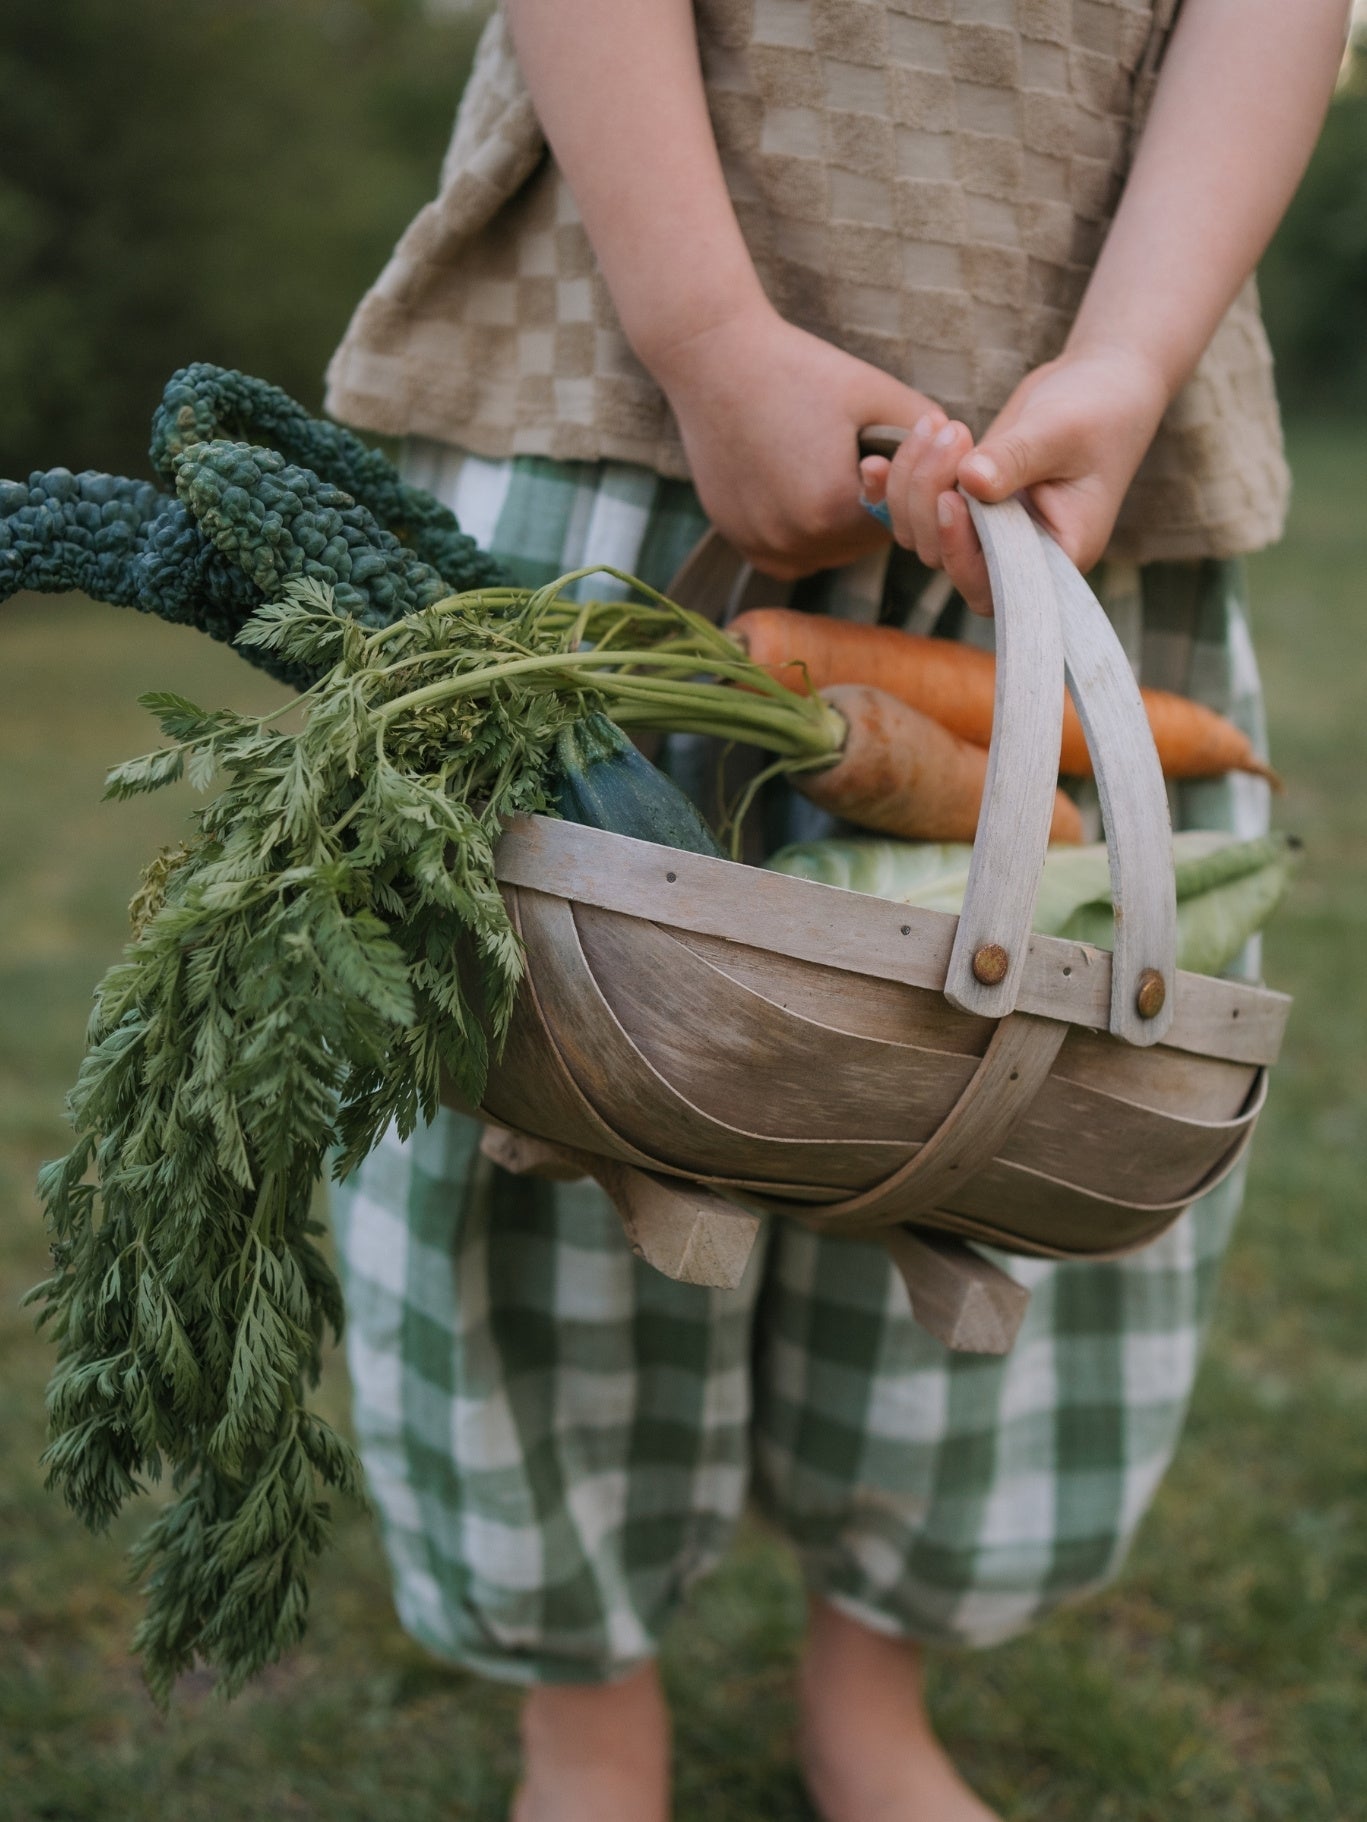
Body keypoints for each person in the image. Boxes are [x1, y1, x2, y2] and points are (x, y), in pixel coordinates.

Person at [325, 4, 1348, 1817]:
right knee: (562, 1065)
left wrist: (1130, 353)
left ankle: (871, 1693)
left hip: (1073, 440)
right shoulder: (671, 347)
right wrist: (708, 336)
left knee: (1017, 1099)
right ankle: (590, 1717)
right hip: (631, 379)